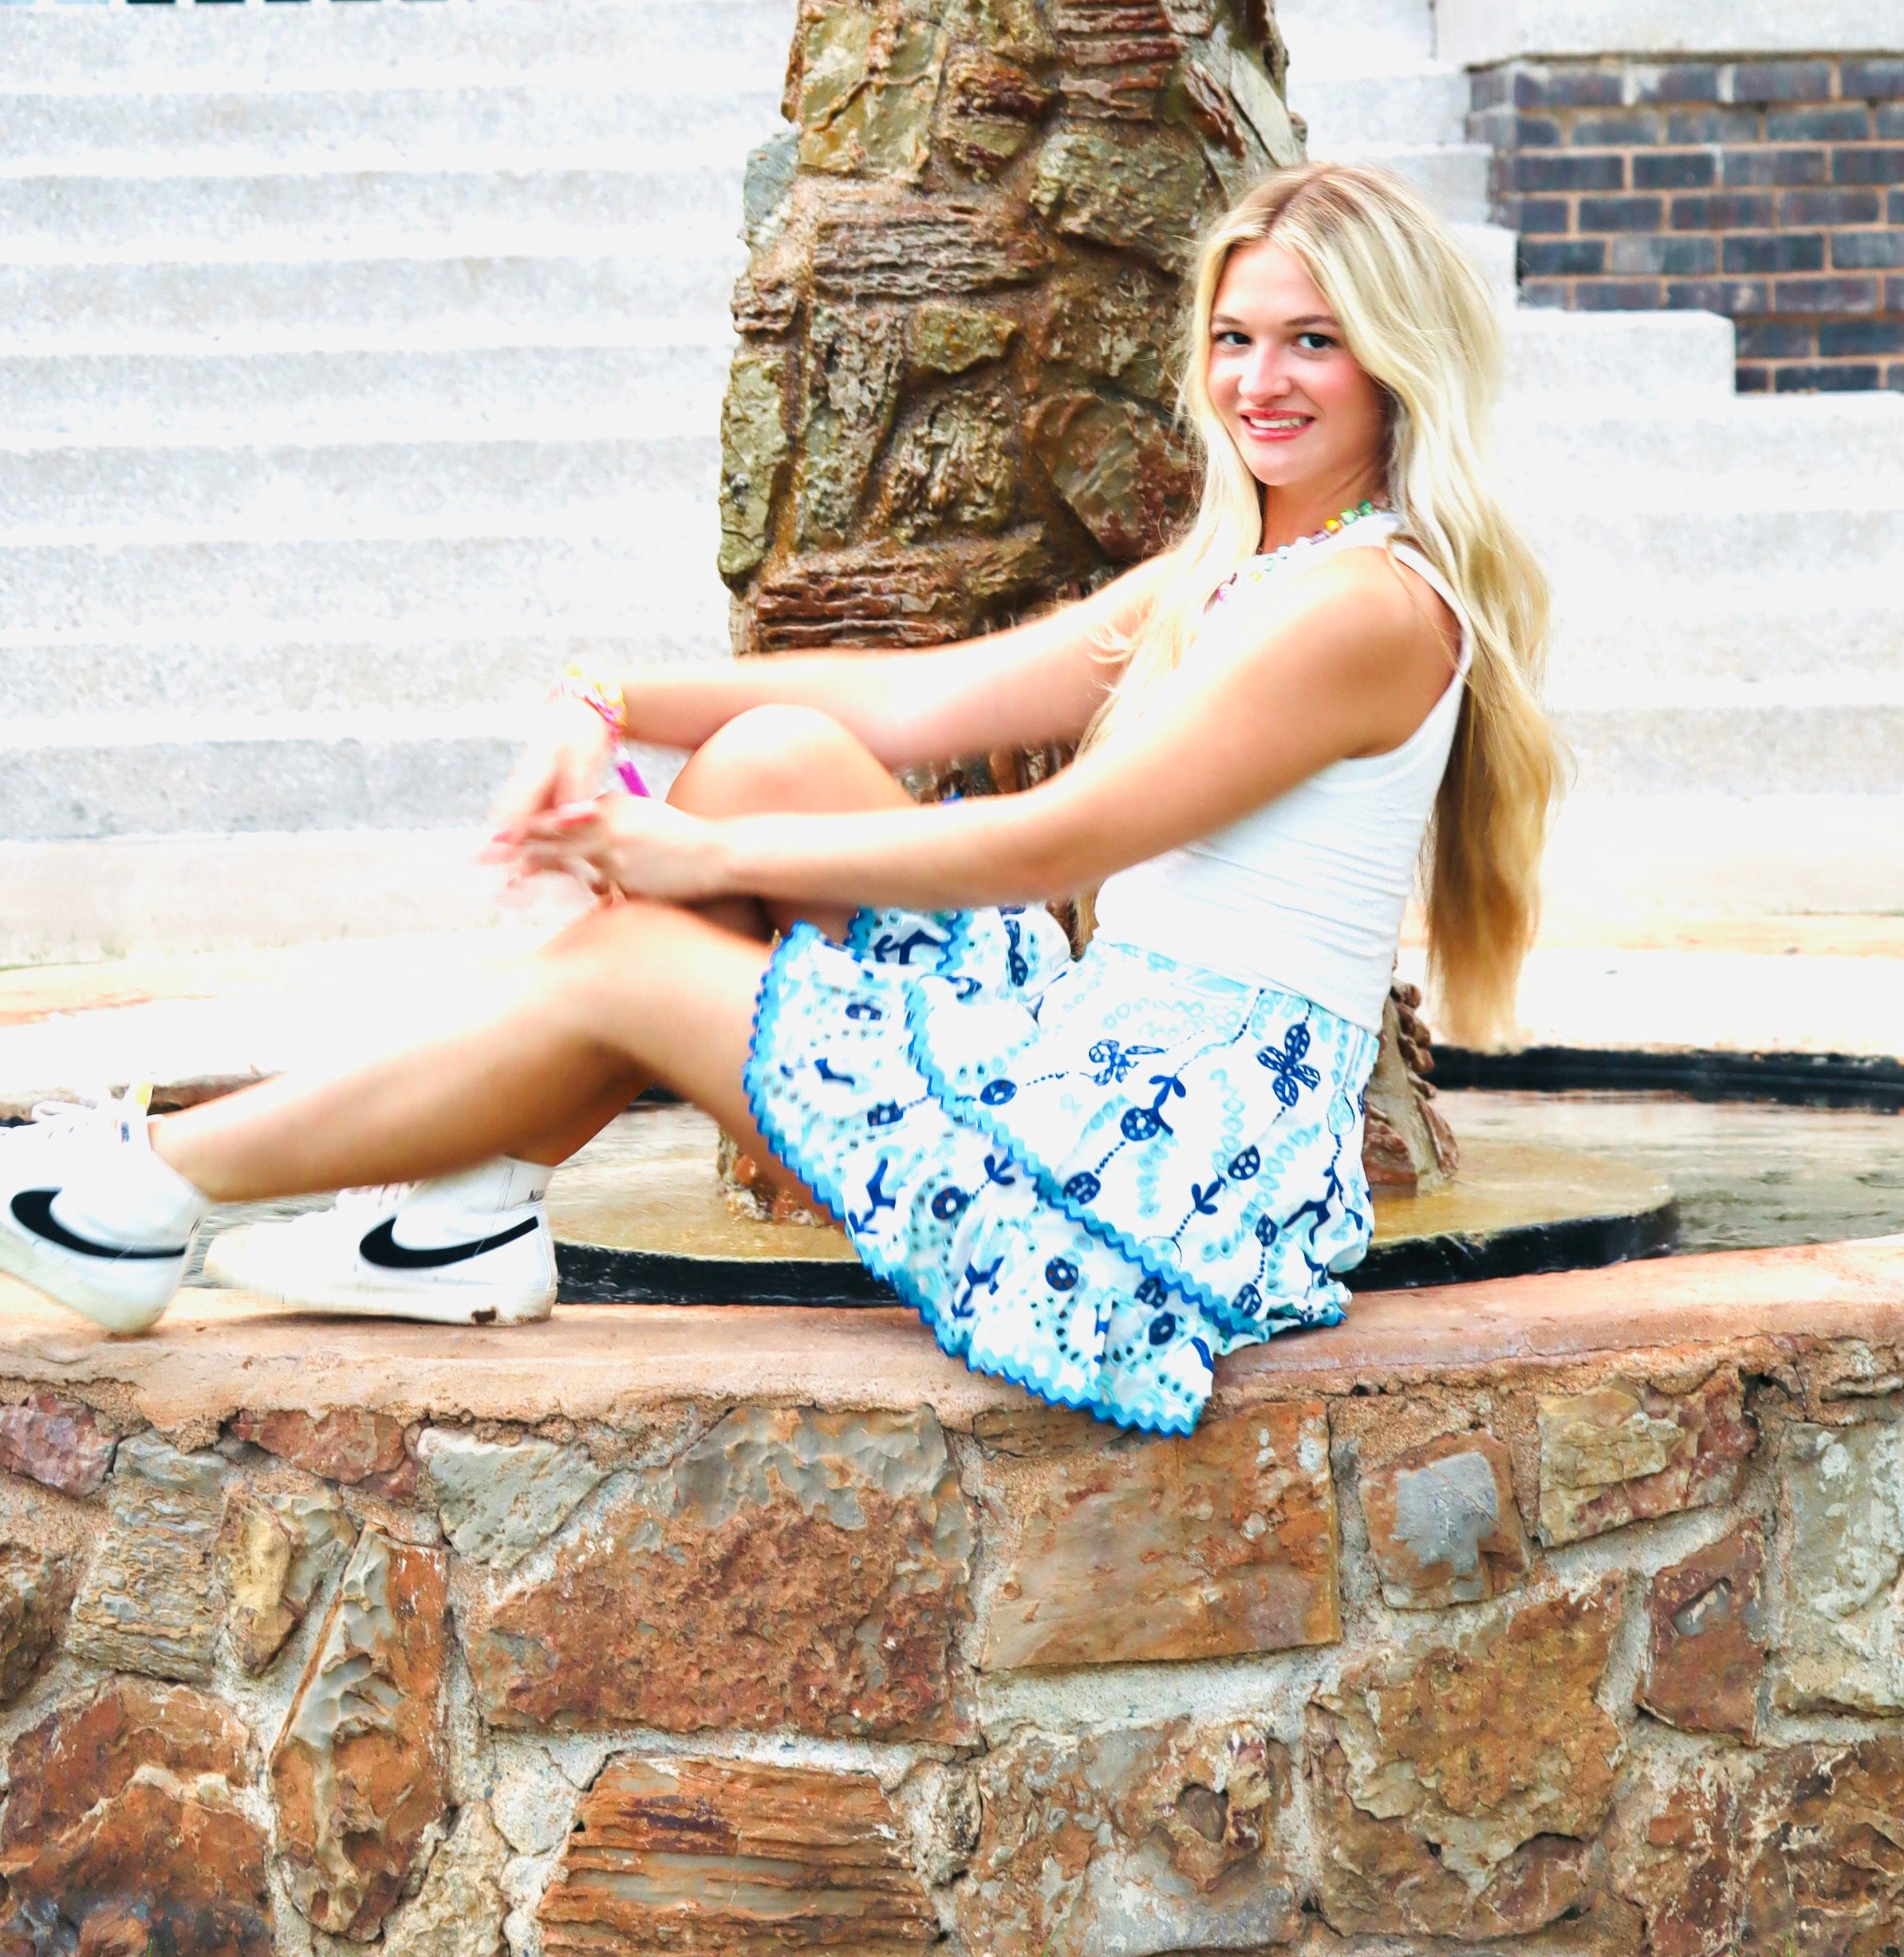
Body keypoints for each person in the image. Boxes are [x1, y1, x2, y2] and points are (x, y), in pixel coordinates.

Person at [0, 163, 1562, 1435]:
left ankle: (144, 1193)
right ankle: (460, 1218)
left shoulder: (1362, 608)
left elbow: (1057, 839)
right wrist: (605, 700)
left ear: (1394, 360)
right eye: (1234, 337)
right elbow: (919, 701)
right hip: (1104, 1063)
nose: (1259, 380)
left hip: (1152, 1181)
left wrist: (703, 853)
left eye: (1312, 340)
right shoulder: (1250, 571)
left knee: (633, 953)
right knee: (761, 749)